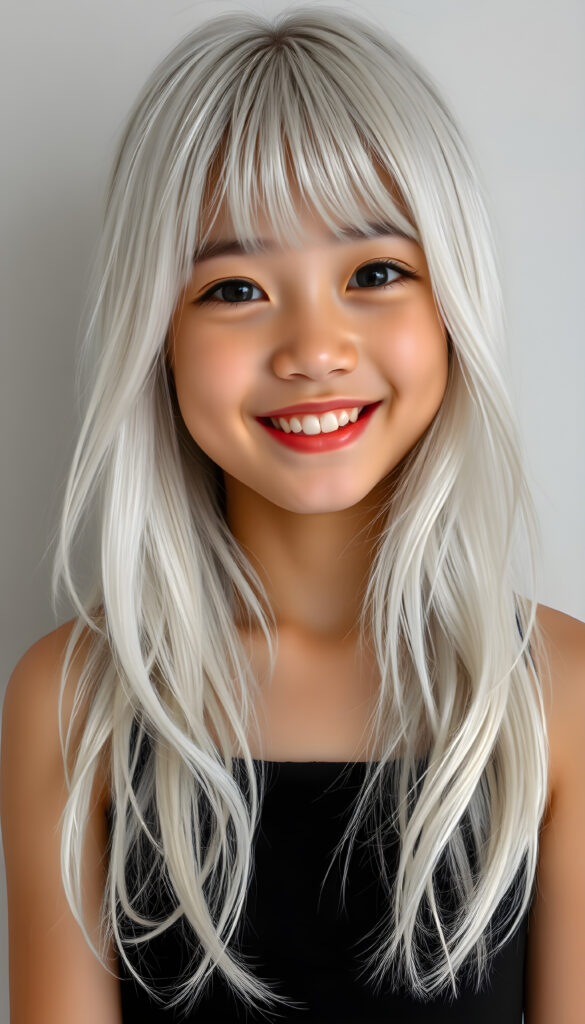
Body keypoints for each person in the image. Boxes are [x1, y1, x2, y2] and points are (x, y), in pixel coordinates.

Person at [1, 6, 584, 1022]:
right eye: (234, 288)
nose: (313, 348)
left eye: (375, 273)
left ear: (453, 302)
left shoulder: (560, 696)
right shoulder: (72, 702)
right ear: (156, 333)